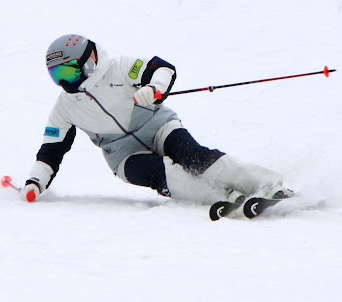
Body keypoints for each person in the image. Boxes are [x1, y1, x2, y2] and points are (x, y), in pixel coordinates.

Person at [21, 34, 293, 205]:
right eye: (57, 77)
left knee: (193, 156)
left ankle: (263, 183)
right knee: (161, 174)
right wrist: (36, 181)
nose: (65, 82)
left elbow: (160, 67)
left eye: (68, 73)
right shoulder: (65, 107)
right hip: (123, 156)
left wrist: (153, 89)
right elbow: (51, 150)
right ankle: (222, 196)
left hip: (158, 125)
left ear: (88, 62)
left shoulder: (119, 68)